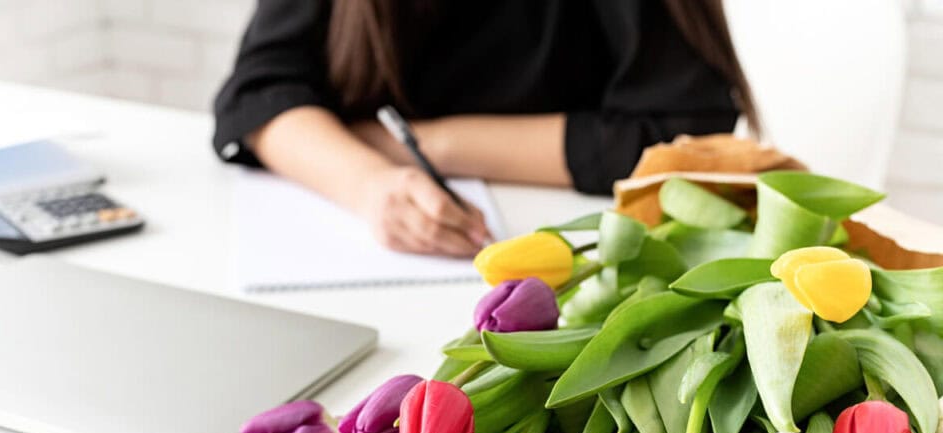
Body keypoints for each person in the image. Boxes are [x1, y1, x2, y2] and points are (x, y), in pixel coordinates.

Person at [213, 0, 756, 258]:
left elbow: (683, 138)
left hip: (565, 253)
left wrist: (429, 144)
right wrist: (370, 184)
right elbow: (257, 96)